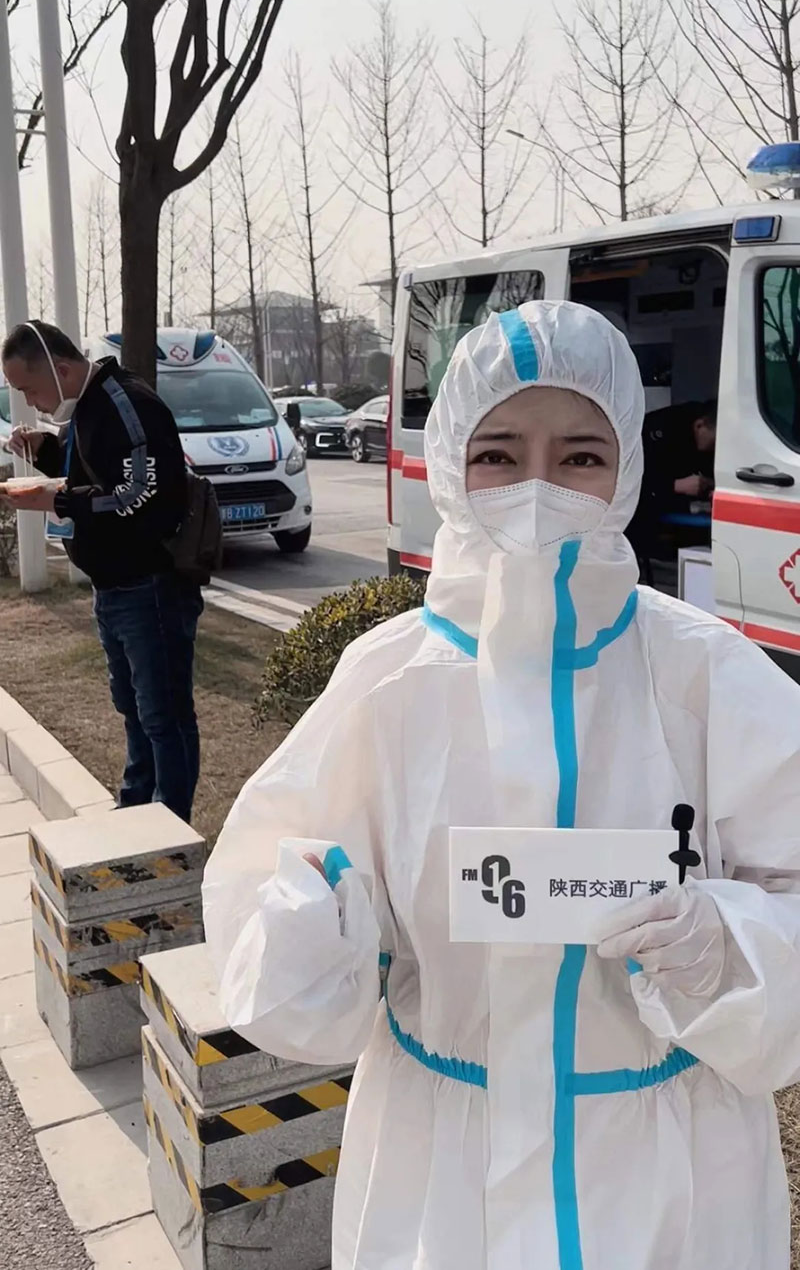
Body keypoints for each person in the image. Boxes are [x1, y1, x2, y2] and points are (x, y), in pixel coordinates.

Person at [203, 301, 800, 1270]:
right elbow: (269, 935)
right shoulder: (387, 680)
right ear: (448, 463)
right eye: (497, 454)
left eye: (579, 456)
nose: (537, 488)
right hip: (442, 1173)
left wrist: (723, 949)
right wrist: (314, 918)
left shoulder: (703, 671)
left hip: (667, 1171)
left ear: (624, 468)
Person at [0, 321, 202, 823]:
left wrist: (59, 500)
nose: (29, 402)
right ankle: (134, 810)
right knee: (133, 709)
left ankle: (169, 830)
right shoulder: (87, 407)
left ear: (61, 368)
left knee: (163, 715)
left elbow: (142, 494)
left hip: (150, 586)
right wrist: (45, 448)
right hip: (114, 588)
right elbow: (95, 470)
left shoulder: (127, 404)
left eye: (29, 389)